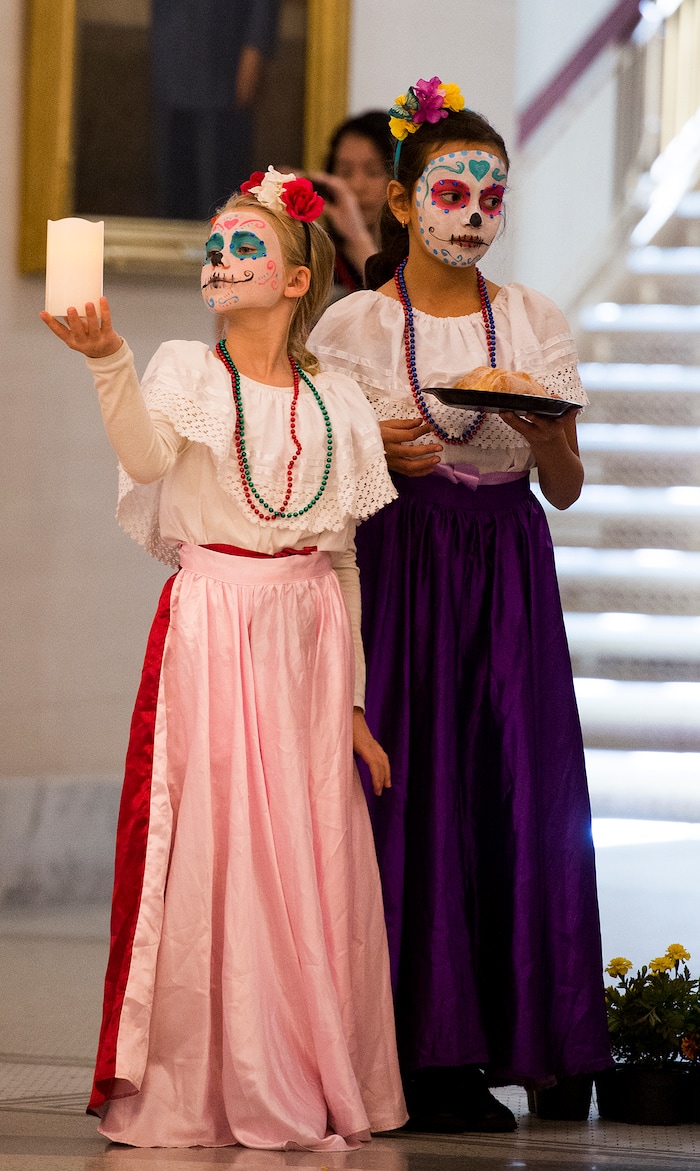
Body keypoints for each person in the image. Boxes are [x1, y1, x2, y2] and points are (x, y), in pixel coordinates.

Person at [40, 166, 407, 1150]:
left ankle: (310, 1055)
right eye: (216, 240)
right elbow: (153, 459)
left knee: (308, 850)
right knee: (213, 848)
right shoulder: (183, 370)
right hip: (215, 623)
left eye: (247, 245)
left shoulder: (339, 399)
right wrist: (108, 357)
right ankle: (208, 1073)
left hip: (309, 638)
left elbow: (342, 557)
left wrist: (355, 706)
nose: (221, 255)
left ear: (296, 282)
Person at [308, 77, 613, 1133]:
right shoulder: (352, 324)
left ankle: (523, 1038)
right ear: (402, 204)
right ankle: (403, 1049)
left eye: (491, 192)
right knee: (409, 793)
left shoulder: (531, 316)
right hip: (400, 571)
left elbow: (566, 486)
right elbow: (316, 482)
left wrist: (542, 434)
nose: (473, 210)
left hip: (505, 570)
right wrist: (365, 449)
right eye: (451, 187)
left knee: (515, 793)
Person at [150, 0, 281, 219]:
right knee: (174, 186)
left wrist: (255, 50)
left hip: (223, 62)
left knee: (219, 185)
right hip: (172, 60)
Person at [309, 111, 393, 299]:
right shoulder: (317, 255)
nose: (357, 186)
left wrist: (357, 240)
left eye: (372, 172)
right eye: (345, 172)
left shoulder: (419, 252)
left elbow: (409, 317)